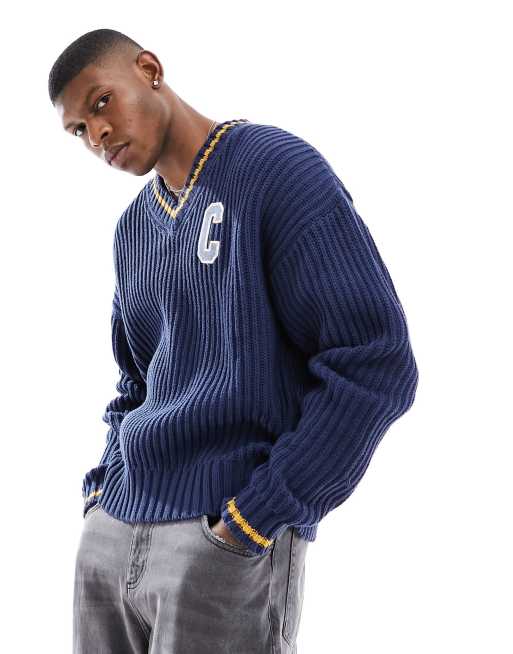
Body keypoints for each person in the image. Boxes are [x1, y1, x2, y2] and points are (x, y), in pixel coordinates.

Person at [49, 28, 419, 654]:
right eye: (79, 130)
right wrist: (100, 497)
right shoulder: (133, 230)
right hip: (111, 544)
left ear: (149, 69)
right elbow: (136, 384)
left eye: (101, 102)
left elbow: (376, 363)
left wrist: (260, 513)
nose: (97, 134)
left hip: (219, 541)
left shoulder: (276, 171)